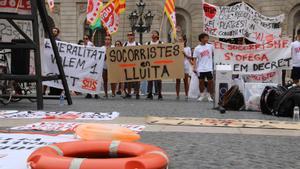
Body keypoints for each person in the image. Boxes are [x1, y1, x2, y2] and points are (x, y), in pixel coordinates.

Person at [193, 33, 214, 102]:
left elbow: (215, 52)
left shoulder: (210, 46)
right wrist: (194, 67)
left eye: (207, 38)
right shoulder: (197, 48)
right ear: (201, 39)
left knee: (210, 81)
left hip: (209, 67)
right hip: (201, 67)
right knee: (201, 81)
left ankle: (208, 95)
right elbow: (195, 58)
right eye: (205, 38)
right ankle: (202, 94)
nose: (207, 39)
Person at [123, 31, 141, 99]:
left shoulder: (137, 44)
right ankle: (129, 93)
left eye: (131, 35)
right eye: (128, 35)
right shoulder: (125, 44)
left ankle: (137, 92)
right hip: (127, 64)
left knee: (137, 80)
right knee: (128, 80)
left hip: (136, 64)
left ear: (133, 36)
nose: (130, 36)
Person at [146, 30, 163, 100]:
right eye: (152, 34)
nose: (153, 35)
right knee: (150, 80)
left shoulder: (161, 43)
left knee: (159, 80)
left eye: (154, 34)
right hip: (150, 63)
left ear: (157, 35)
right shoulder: (148, 43)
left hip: (158, 63)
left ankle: (159, 93)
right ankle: (150, 93)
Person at [47, 27, 63, 96]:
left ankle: (58, 91)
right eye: (53, 31)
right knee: (51, 75)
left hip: (56, 61)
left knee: (57, 75)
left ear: (57, 33)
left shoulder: (59, 41)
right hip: (50, 60)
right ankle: (52, 90)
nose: (54, 32)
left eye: (55, 31)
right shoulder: (48, 40)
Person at [176, 34, 192, 100]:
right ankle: (177, 94)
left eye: (181, 40)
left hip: (185, 65)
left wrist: (185, 54)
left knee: (185, 81)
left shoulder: (187, 48)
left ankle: (186, 94)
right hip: (178, 65)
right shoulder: (176, 47)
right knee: (178, 81)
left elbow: (190, 57)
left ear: (184, 41)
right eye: (179, 40)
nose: (179, 41)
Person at [83, 35, 99, 99]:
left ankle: (95, 93)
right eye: (84, 38)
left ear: (88, 39)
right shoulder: (82, 45)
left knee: (94, 78)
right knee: (87, 79)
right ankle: (89, 93)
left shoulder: (91, 44)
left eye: (86, 38)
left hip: (93, 65)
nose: (85, 40)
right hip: (86, 65)